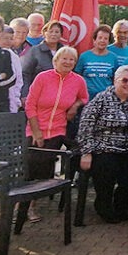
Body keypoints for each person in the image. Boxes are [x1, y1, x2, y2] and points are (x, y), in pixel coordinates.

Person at [77, 66, 128, 223]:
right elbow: (86, 125)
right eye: (124, 80)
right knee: (107, 167)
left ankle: (122, 205)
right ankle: (103, 204)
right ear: (115, 81)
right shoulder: (101, 99)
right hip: (105, 148)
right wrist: (87, 152)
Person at [25, 46, 88, 180]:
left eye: (72, 59)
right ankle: (26, 199)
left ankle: (50, 193)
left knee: (51, 166)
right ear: (56, 60)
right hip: (35, 128)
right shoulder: (42, 77)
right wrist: (36, 132)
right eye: (64, 58)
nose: (68, 62)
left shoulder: (78, 81)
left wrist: (75, 106)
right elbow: (30, 105)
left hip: (58, 130)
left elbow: (84, 98)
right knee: (31, 166)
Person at [20, 19, 64, 97]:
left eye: (57, 32)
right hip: (39, 93)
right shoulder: (35, 51)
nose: (53, 34)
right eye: (50, 31)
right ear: (44, 33)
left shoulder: (65, 51)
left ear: (61, 35)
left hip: (60, 94)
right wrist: (25, 94)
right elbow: (26, 74)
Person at [75, 24, 119, 99]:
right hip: (87, 99)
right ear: (94, 40)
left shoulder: (113, 58)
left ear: (108, 42)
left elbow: (116, 79)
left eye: (106, 38)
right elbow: (77, 77)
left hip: (106, 99)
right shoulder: (84, 56)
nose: (102, 41)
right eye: (100, 38)